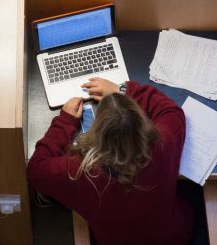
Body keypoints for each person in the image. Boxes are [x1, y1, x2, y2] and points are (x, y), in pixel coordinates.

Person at [27, 77, 196, 245]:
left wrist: (65, 121)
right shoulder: (163, 143)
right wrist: (124, 90)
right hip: (175, 236)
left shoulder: (79, 174)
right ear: (142, 124)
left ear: (97, 134)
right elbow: (171, 111)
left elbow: (36, 170)